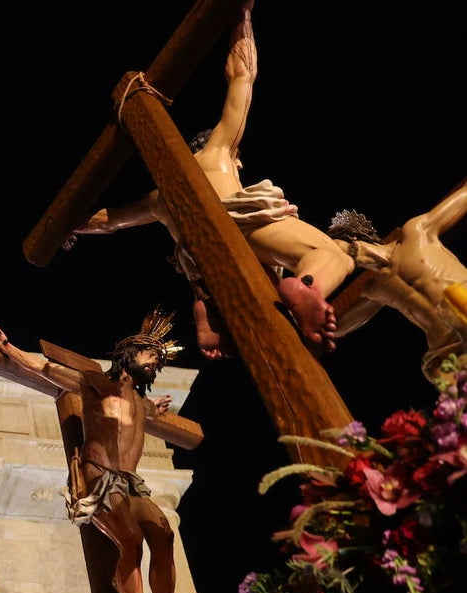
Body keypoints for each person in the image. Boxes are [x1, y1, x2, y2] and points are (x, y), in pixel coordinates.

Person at [62, 0, 352, 359]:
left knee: (266, 295)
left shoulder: (160, 198)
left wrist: (70, 227)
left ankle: (210, 306)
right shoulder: (218, 152)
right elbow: (241, 78)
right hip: (234, 223)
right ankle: (309, 288)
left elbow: (111, 221)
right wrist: (242, 17)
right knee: (331, 254)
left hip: (202, 262)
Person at [0, 312, 178, 593]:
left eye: (158, 360)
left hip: (131, 482)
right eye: (149, 353)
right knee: (130, 540)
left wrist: (155, 412)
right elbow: (46, 369)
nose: (154, 362)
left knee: (163, 534)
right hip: (98, 474)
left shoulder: (142, 403)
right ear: (127, 354)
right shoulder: (95, 382)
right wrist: (7, 347)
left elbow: (142, 418)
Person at [327, 177, 467, 385]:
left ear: (357, 239)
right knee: (454, 399)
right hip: (443, 348)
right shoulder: (376, 288)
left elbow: (464, 198)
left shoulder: (417, 233)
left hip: (463, 310)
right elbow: (337, 329)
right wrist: (323, 326)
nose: (348, 256)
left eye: (346, 247)